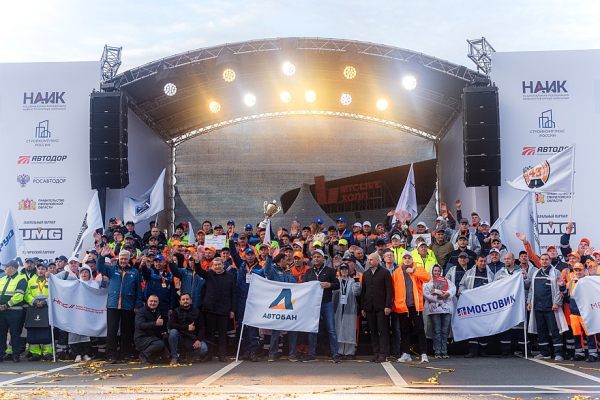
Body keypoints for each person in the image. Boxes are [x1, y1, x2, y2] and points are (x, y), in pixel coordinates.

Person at [97, 248, 144, 363]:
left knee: (126, 332)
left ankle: (125, 354)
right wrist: (101, 256)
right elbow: (100, 267)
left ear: (129, 260)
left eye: (125, 259)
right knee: (111, 331)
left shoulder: (135, 272)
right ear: (118, 259)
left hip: (128, 306)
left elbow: (138, 291)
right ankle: (111, 355)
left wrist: (137, 305)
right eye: (121, 259)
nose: (123, 261)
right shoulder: (112, 269)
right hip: (113, 305)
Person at [193, 256, 236, 362]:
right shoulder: (209, 274)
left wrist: (232, 310)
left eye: (219, 264)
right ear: (212, 266)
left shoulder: (230, 277)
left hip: (224, 309)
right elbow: (199, 271)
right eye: (215, 265)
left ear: (223, 265)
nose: (217, 267)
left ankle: (222, 354)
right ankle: (209, 354)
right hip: (210, 308)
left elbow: (234, 294)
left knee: (222, 334)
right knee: (210, 333)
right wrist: (197, 261)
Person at [392, 252, 431, 363]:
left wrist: (414, 271)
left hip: (416, 305)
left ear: (412, 259)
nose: (407, 260)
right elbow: (393, 288)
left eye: (409, 258)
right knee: (404, 330)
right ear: (402, 260)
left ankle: (424, 354)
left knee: (420, 329)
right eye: (405, 258)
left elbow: (427, 278)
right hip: (402, 306)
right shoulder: (397, 272)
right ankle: (406, 353)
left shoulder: (418, 268)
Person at [303, 249, 341, 363]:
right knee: (312, 329)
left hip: (326, 303)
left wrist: (329, 285)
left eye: (318, 256)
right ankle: (311, 354)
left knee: (331, 329)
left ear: (323, 258)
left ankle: (335, 354)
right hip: (313, 305)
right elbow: (304, 287)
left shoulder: (329, 271)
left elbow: (337, 285)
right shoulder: (309, 272)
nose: (316, 259)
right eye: (314, 257)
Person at [528, 253, 566, 361]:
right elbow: (531, 289)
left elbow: (559, 289)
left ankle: (558, 353)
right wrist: (529, 302)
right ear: (539, 261)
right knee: (541, 331)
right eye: (542, 259)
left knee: (555, 331)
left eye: (546, 259)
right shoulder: (536, 273)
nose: (544, 261)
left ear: (550, 261)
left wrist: (557, 302)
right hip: (538, 307)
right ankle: (544, 352)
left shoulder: (555, 272)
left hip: (551, 308)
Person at [263, 249, 298, 362]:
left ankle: (292, 354)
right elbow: (266, 271)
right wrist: (269, 256)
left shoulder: (288, 272)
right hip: (278, 305)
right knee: (276, 330)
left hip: (289, 304)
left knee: (292, 329)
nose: (287, 261)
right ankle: (272, 354)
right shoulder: (273, 271)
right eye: (286, 260)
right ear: (281, 260)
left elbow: (295, 285)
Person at [559, 263, 598, 362]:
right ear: (574, 271)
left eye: (580, 270)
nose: (578, 272)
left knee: (590, 334)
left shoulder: (588, 281)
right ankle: (579, 353)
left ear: (584, 270)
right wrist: (562, 287)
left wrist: (592, 275)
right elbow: (567, 296)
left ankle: (593, 354)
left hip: (586, 313)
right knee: (576, 335)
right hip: (574, 313)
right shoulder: (570, 283)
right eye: (576, 270)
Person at [494, 253, 531, 357]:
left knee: (521, 328)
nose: (506, 260)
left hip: (518, 304)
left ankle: (525, 351)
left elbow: (528, 286)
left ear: (514, 260)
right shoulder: (499, 273)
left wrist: (525, 278)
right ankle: (505, 351)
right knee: (506, 327)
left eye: (509, 259)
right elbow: (494, 287)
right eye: (505, 259)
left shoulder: (521, 271)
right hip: (505, 305)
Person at [361, 252, 393, 363]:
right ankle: (376, 353)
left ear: (377, 260)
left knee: (383, 331)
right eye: (368, 260)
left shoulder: (385, 273)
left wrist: (388, 305)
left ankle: (383, 353)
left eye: (371, 259)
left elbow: (389, 290)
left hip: (382, 307)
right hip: (370, 307)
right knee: (373, 331)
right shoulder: (365, 274)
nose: (369, 261)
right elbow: (364, 291)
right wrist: (363, 307)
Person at [460, 255, 494, 358]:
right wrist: (462, 291)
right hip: (472, 305)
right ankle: (473, 351)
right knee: (472, 328)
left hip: (485, 306)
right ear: (476, 262)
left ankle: (483, 350)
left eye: (484, 261)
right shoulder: (469, 273)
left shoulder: (491, 274)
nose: (483, 263)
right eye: (481, 261)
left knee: (484, 327)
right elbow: (462, 285)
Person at [423, 264, 456, 359]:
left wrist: (447, 294)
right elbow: (425, 294)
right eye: (435, 270)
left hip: (446, 309)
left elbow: (453, 289)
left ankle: (444, 351)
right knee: (437, 330)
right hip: (434, 310)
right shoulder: (428, 283)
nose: (437, 272)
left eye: (438, 270)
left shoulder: (447, 281)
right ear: (432, 271)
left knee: (445, 331)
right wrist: (436, 297)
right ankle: (437, 351)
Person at [167, 293, 208, 365]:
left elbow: (202, 328)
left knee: (204, 348)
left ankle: (188, 354)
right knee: (173, 332)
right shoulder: (176, 311)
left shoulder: (197, 312)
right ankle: (174, 357)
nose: (185, 301)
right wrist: (187, 327)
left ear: (191, 301)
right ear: (180, 302)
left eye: (187, 299)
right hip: (180, 338)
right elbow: (170, 325)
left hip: (193, 339)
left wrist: (198, 340)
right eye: (183, 299)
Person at [24, 263, 53, 361]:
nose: (40, 271)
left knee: (46, 329)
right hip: (34, 307)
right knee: (34, 329)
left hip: (47, 307)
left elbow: (54, 294)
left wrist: (44, 302)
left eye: (43, 269)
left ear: (46, 270)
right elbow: (27, 294)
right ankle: (35, 353)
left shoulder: (50, 280)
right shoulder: (31, 281)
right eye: (39, 269)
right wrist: (34, 302)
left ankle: (47, 353)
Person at [0, 260, 28, 362]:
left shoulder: (21, 279)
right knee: (1, 334)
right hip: (2, 312)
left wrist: (6, 305)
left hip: (14, 311)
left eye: (6, 267)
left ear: (12, 268)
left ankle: (15, 355)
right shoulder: (2, 279)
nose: (5, 269)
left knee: (15, 334)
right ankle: (1, 354)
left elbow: (19, 296)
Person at [333, 262, 361, 360]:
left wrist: (357, 282)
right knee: (338, 329)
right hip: (338, 308)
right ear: (340, 271)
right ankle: (340, 351)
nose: (344, 271)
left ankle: (349, 352)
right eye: (342, 269)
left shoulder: (352, 281)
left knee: (349, 330)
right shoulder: (336, 281)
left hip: (350, 309)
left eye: (345, 269)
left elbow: (357, 292)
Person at [134, 294, 167, 364]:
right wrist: (155, 323)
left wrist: (163, 331)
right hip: (142, 337)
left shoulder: (159, 311)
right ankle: (143, 355)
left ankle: (158, 357)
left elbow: (160, 325)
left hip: (153, 337)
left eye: (155, 301)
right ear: (147, 301)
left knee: (168, 338)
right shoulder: (141, 312)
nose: (153, 303)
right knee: (159, 344)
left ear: (158, 302)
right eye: (151, 301)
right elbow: (140, 325)